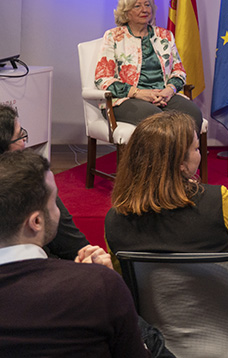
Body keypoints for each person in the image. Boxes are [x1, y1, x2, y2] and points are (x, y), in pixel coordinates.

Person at [103, 112, 228, 357]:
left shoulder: (115, 218)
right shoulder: (218, 201)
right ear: (180, 163)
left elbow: (123, 279)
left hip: (158, 343)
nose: (201, 153)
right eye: (196, 149)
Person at [0, 149, 150, 357]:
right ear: (37, 221)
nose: (59, 210)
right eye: (55, 200)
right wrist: (91, 279)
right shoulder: (98, 286)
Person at [1, 104, 103, 261]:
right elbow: (73, 246)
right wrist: (93, 263)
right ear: (36, 221)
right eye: (20, 136)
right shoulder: (32, 185)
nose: (24, 142)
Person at [94, 0, 203, 132]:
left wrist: (169, 90)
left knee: (193, 114)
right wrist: (138, 93)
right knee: (156, 118)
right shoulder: (113, 36)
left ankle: (185, 148)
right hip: (127, 99)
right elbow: (102, 79)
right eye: (137, 6)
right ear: (126, 12)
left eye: (147, 5)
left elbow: (179, 72)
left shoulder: (165, 36)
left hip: (163, 96)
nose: (144, 9)